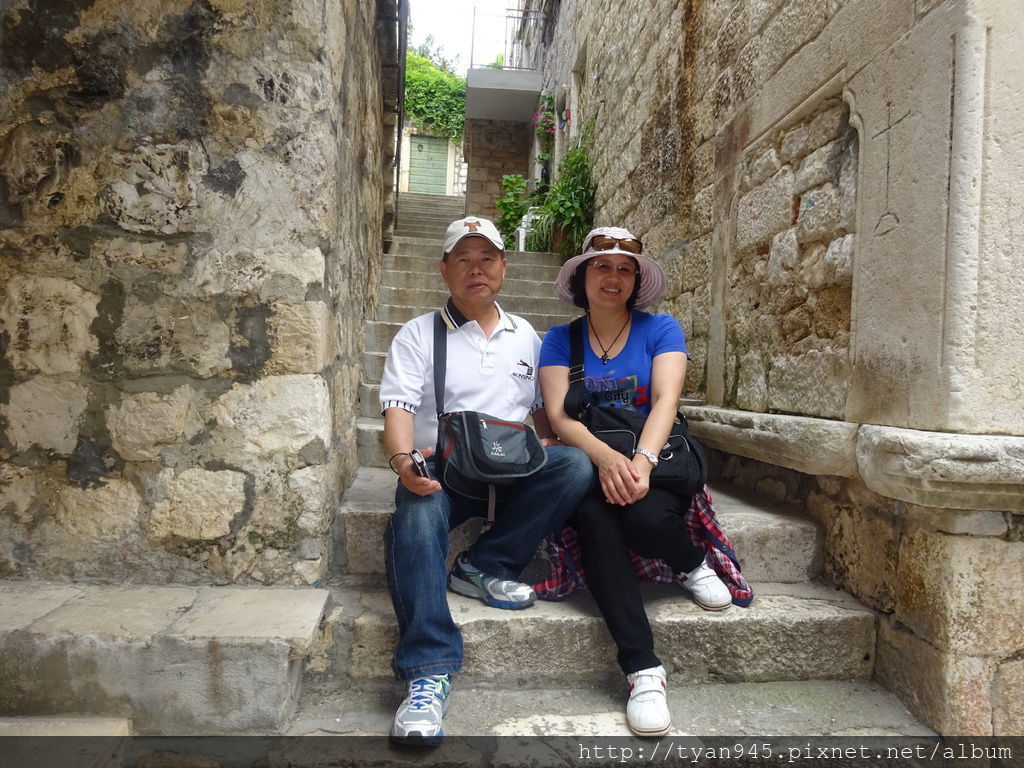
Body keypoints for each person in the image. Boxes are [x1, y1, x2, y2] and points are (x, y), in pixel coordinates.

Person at [379, 216, 594, 746]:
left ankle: (484, 564)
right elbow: (398, 408)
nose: (476, 269)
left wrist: (556, 440)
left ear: (503, 266)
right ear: (444, 269)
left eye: (487, 258)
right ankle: (428, 670)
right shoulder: (418, 333)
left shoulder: (527, 335)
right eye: (463, 259)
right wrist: (404, 462)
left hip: (512, 470)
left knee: (575, 465)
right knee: (415, 513)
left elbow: (542, 410)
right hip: (446, 473)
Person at [537, 226, 733, 737]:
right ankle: (643, 668)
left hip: (655, 455)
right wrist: (606, 460)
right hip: (592, 458)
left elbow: (667, 401)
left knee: (644, 520)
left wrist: (641, 464)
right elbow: (559, 417)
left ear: (637, 281)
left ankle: (690, 561)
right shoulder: (561, 340)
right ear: (582, 277)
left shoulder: (660, 329)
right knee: (595, 520)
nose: (614, 276)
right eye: (602, 266)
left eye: (626, 269)